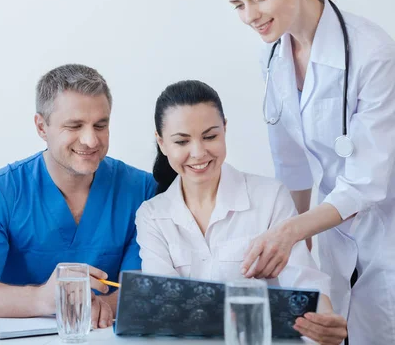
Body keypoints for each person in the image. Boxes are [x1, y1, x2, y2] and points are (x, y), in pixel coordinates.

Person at [215, 0, 395, 343]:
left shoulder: (373, 53)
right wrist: (299, 251)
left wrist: (290, 232)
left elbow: (366, 182)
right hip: (332, 234)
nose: (250, 16)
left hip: (387, 231)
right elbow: (291, 161)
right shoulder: (273, 55)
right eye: (238, 5)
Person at [136, 80, 347, 345]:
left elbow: (303, 282)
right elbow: (165, 307)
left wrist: (323, 322)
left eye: (210, 136)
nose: (198, 153)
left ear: (225, 128)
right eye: (182, 141)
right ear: (162, 142)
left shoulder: (269, 197)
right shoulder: (152, 215)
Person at [0, 64, 157, 329]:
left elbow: (146, 284)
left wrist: (104, 306)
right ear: (41, 126)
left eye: (100, 125)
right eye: (74, 126)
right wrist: (43, 299)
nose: (91, 140)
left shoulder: (141, 190)